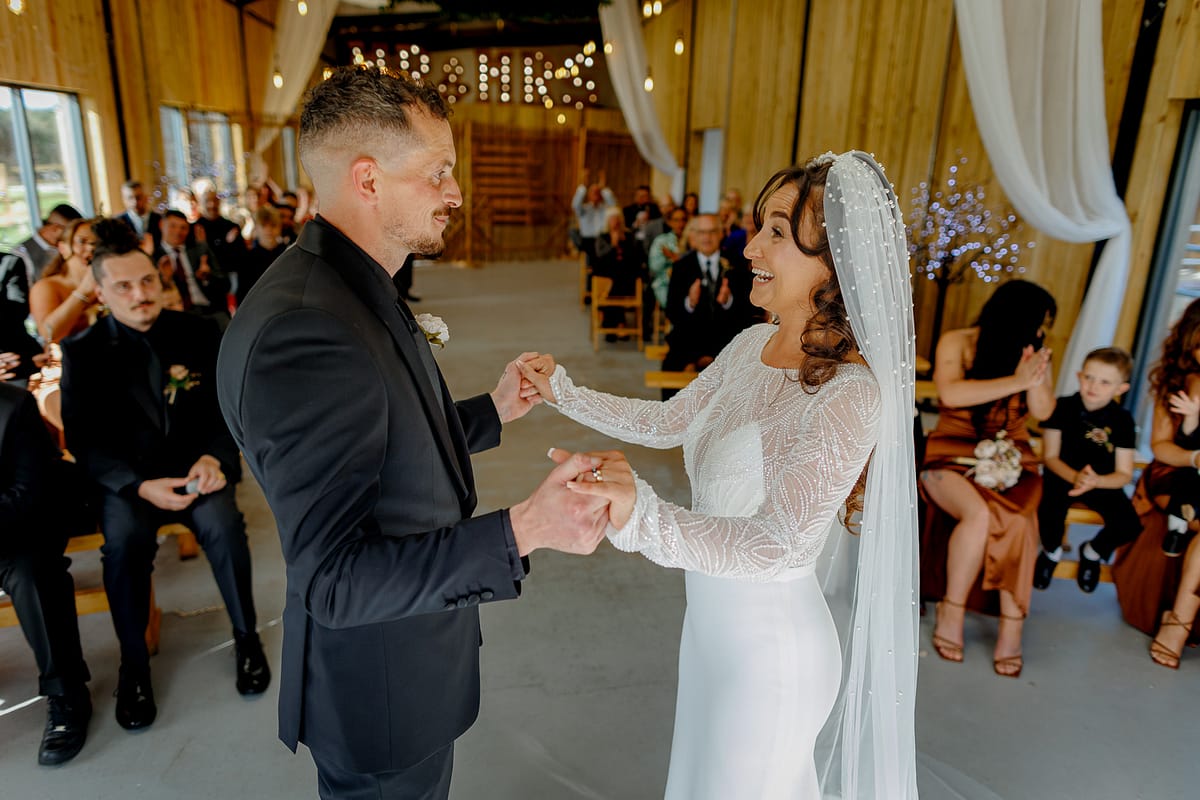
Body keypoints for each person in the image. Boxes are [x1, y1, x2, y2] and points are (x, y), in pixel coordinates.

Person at [215, 66, 612, 798]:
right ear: (368, 179)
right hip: (379, 694)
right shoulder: (307, 331)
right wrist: (523, 528)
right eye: (439, 172)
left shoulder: (353, 283)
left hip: (408, 658)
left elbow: (382, 444)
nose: (456, 192)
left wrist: (491, 411)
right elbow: (331, 580)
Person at [519, 152, 918, 798]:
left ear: (836, 263)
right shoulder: (745, 346)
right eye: (759, 225)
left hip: (770, 657)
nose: (750, 244)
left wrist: (642, 514)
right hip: (709, 633)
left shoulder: (851, 396)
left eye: (778, 233)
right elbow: (668, 421)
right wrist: (561, 391)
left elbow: (781, 542)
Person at [61, 217, 268, 732]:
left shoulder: (200, 332)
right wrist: (135, 485)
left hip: (195, 472)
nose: (140, 294)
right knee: (124, 546)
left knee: (224, 528)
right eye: (124, 287)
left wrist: (215, 459)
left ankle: (247, 638)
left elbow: (229, 412)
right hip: (130, 484)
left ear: (160, 279)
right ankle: (135, 666)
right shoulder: (83, 352)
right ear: (102, 293)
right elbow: (84, 441)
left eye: (147, 280)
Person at [920, 279, 1056, 678]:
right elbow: (951, 395)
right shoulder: (957, 341)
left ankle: (1011, 630)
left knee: (1021, 520)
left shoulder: (1032, 350)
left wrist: (1037, 376)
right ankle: (952, 609)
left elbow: (1044, 413)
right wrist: (1018, 381)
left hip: (1013, 454)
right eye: (1038, 320)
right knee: (978, 515)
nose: (1041, 329)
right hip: (951, 450)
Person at [1, 381, 93, 765]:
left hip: (23, 528)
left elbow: (28, 494)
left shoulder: (13, 406)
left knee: (33, 576)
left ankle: (67, 693)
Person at [1112, 299, 1200, 668]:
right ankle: (1178, 625)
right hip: (1176, 470)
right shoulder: (1176, 382)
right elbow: (1163, 447)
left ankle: (1178, 619)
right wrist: (1195, 458)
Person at [1033, 347, 1141, 593]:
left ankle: (1092, 552)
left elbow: (1124, 473)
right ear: (1079, 376)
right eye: (1089, 377)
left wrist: (1097, 482)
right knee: (1048, 510)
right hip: (1062, 475)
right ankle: (1051, 552)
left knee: (1128, 524)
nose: (1094, 386)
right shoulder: (1061, 407)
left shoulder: (1123, 420)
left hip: (1100, 481)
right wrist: (1074, 477)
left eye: (1105, 382)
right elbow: (1049, 456)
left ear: (1120, 389)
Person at [154, 209, 231, 328]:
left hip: (210, 310)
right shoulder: (154, 256)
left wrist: (208, 276)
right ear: (161, 225)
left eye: (183, 228)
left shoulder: (200, 250)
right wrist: (165, 279)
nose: (178, 232)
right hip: (178, 315)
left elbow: (226, 284)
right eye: (172, 226)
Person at [29, 217, 101, 344]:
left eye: (97, 243)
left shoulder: (108, 284)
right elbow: (49, 334)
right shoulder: (46, 287)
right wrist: (82, 292)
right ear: (63, 248)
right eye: (82, 241)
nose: (90, 248)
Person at [647, 206, 688, 310]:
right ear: (670, 222)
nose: (680, 224)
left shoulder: (694, 241)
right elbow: (654, 266)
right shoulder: (661, 241)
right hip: (665, 284)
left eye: (683, 219)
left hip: (690, 284)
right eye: (676, 220)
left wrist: (674, 256)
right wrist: (669, 259)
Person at [117, 180, 163, 253]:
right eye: (130, 198)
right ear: (124, 200)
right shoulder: (118, 223)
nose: (135, 202)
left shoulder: (160, 219)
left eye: (138, 197)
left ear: (146, 197)